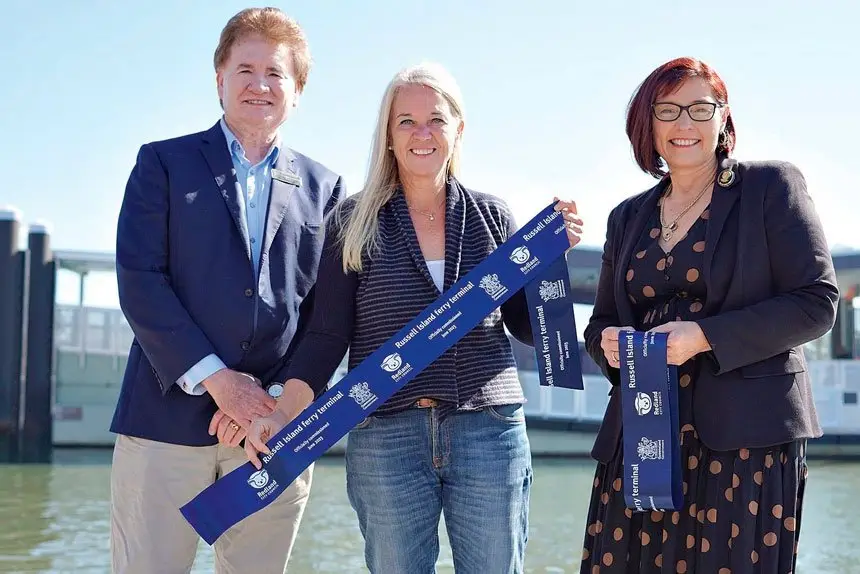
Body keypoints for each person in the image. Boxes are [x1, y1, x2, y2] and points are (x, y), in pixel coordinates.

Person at [243, 62, 583, 573]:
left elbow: (525, 326)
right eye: (406, 121)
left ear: (458, 128)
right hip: (387, 436)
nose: (422, 134)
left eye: (436, 120)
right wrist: (281, 413)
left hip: (488, 430)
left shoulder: (493, 216)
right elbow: (326, 334)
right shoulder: (352, 222)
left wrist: (548, 261)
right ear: (388, 134)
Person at [109, 8, 346, 573]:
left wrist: (273, 403)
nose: (259, 84)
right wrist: (222, 383)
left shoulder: (327, 188)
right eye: (245, 68)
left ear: (298, 90)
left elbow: (328, 317)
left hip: (272, 433)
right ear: (219, 78)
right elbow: (140, 280)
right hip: (164, 426)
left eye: (276, 73)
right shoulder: (163, 163)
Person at [580, 56, 839, 573]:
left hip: (746, 444)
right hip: (642, 436)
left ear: (724, 119)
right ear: (646, 124)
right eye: (668, 109)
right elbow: (600, 324)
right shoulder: (626, 216)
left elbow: (817, 302)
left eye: (701, 108)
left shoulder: (770, 187)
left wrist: (703, 336)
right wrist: (608, 343)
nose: (684, 124)